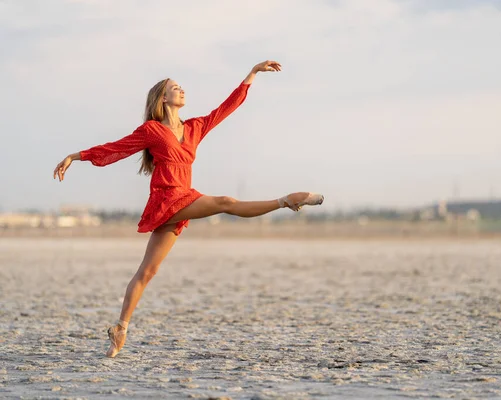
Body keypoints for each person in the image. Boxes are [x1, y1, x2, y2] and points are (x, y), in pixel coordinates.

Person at [53, 60, 324, 357]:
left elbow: (225, 109)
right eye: (175, 88)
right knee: (225, 203)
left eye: (181, 87)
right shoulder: (153, 130)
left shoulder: (194, 128)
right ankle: (286, 200)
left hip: (182, 199)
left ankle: (120, 327)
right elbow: (116, 148)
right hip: (166, 199)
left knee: (148, 272)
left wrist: (252, 74)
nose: (181, 90)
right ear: (163, 98)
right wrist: (75, 156)